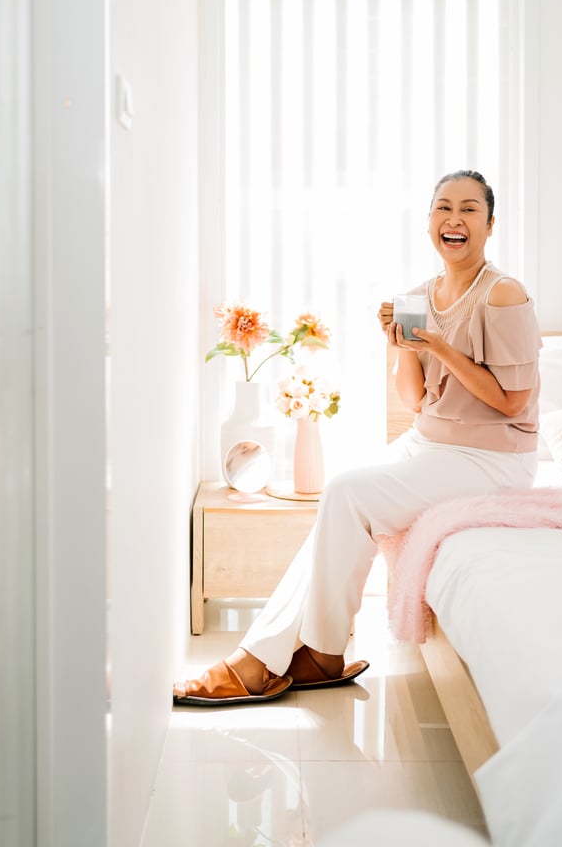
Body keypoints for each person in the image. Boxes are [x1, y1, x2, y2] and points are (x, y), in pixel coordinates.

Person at [174, 170, 541, 706]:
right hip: (431, 445)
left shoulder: (504, 294)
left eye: (468, 210)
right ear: (430, 221)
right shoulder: (421, 294)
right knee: (340, 507)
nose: (454, 220)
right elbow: (414, 401)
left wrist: (438, 347)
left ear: (490, 225)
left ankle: (269, 660)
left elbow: (513, 401)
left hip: (492, 458)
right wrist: (400, 346)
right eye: (443, 208)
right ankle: (316, 654)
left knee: (346, 490)